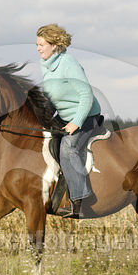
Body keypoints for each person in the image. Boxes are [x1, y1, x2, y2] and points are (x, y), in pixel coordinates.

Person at [36, 23, 101, 218]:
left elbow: (86, 95)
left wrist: (76, 122)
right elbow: (54, 97)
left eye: (41, 44)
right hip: (64, 118)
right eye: (37, 45)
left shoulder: (69, 63)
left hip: (86, 117)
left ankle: (79, 202)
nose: (38, 48)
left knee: (68, 148)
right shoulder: (45, 65)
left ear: (54, 45)